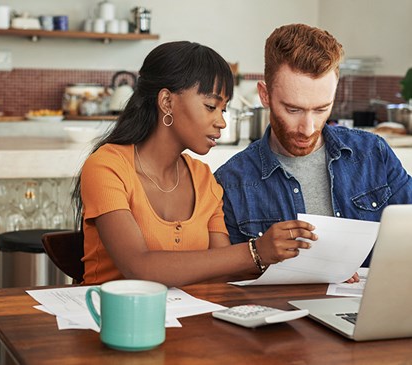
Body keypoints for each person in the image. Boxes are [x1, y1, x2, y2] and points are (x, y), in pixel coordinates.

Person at [72, 41, 316, 287]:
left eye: (223, 109)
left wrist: (315, 269)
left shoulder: (203, 178)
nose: (221, 121)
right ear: (167, 101)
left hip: (192, 321)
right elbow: (138, 267)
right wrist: (256, 251)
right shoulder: (107, 167)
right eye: (211, 106)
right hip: (112, 319)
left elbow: (222, 271)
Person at [214, 23, 412, 271]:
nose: (307, 128)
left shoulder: (374, 153)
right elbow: (231, 283)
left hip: (369, 307)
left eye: (321, 109)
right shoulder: (230, 181)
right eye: (293, 109)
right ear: (265, 95)